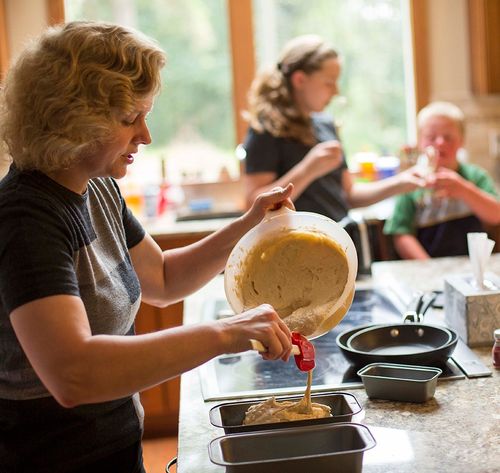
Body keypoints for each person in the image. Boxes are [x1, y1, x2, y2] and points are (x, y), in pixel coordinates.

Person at [0, 21, 296, 473]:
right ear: (71, 118)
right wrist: (226, 332)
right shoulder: (26, 218)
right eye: (129, 118)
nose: (146, 134)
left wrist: (248, 224)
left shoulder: (95, 186)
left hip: (112, 445)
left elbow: (162, 278)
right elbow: (72, 373)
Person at [242, 34, 424, 223]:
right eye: (329, 82)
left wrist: (400, 183)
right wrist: (307, 170)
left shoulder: (326, 125)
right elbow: (253, 204)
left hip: (337, 237)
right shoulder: (266, 130)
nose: (336, 91)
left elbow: (350, 195)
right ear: (299, 80)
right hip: (296, 245)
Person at [384, 101, 500, 259]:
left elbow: (496, 215)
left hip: (472, 266)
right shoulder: (411, 183)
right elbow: (401, 233)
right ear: (420, 142)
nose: (439, 142)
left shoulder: (474, 177)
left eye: (448, 137)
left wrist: (464, 190)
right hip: (428, 269)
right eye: (431, 137)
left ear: (461, 141)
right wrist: (428, 265)